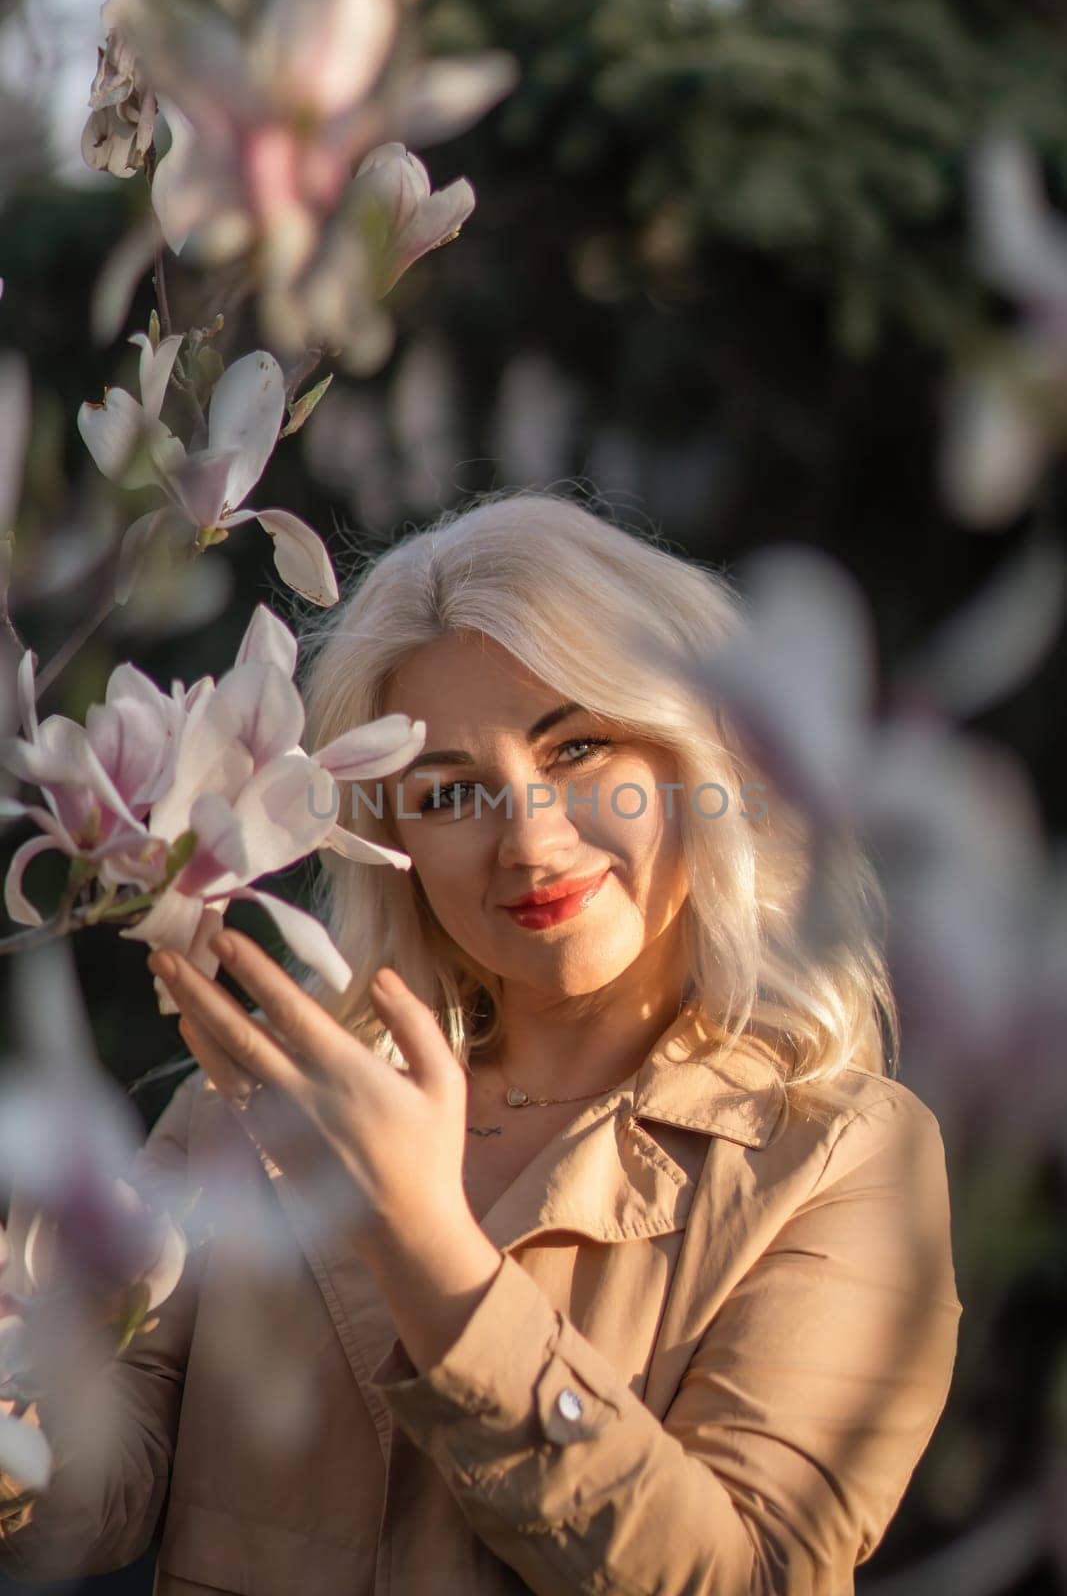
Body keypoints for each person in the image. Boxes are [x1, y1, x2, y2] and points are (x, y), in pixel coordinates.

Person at [0, 491, 962, 1595]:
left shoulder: (838, 1159)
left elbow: (749, 1573)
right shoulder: (262, 1098)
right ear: (386, 836)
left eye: (579, 747)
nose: (530, 838)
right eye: (450, 790)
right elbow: (90, 1507)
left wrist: (432, 1256)